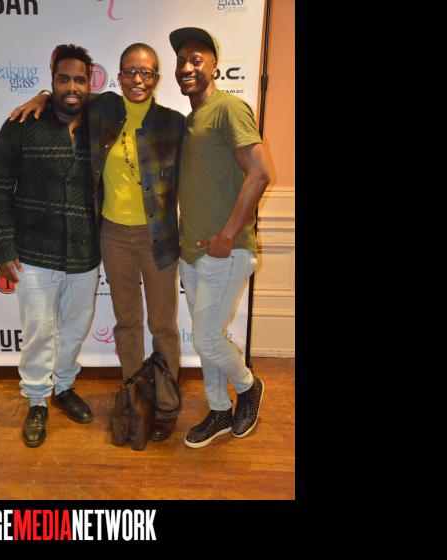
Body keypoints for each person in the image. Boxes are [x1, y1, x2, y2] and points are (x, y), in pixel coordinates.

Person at [10, 43, 185, 442]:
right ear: (118, 76)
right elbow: (67, 95)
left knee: (162, 325)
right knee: (127, 323)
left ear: (156, 78)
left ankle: (165, 402)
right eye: (130, 71)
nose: (137, 79)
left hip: (158, 237)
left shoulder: (173, 123)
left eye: (146, 72)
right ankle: (136, 397)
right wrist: (40, 95)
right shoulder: (103, 108)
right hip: (113, 235)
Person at [0, 44, 100, 448]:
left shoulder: (101, 122)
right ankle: (37, 399)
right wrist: (2, 246)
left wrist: (42, 95)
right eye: (63, 79)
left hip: (85, 251)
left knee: (74, 329)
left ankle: (64, 386)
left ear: (90, 83)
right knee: (39, 331)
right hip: (33, 252)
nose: (72, 87)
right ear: (52, 80)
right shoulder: (21, 124)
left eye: (80, 80)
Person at [167, 27, 272, 448]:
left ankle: (248, 386)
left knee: (208, 338)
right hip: (193, 251)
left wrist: (228, 236)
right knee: (207, 339)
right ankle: (219, 410)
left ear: (214, 65)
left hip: (225, 251)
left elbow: (260, 173)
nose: (187, 67)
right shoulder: (191, 120)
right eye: (181, 60)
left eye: (196, 59)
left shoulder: (229, 108)